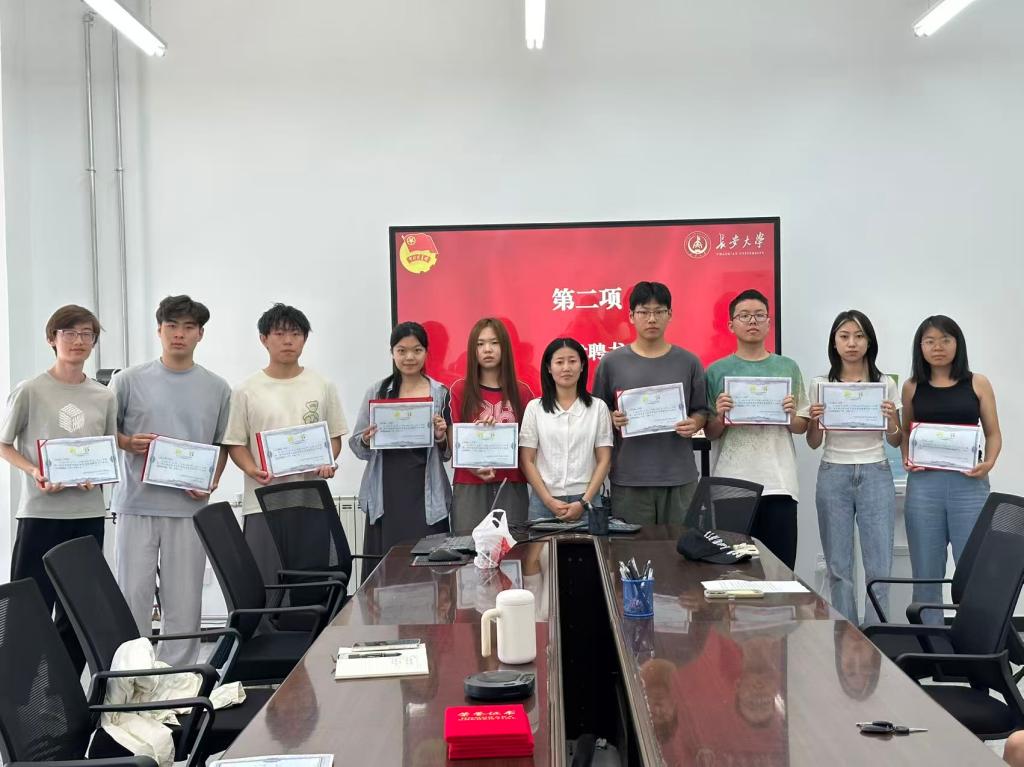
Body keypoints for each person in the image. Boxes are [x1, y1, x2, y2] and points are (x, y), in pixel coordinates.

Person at [111, 295, 231, 666]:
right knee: (133, 595)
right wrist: (128, 442)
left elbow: (222, 444)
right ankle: (132, 674)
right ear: (159, 330)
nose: (179, 334)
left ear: (200, 334)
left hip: (189, 507)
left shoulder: (217, 387)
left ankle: (179, 675)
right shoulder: (127, 380)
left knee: (184, 600)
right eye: (171, 326)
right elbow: (104, 433)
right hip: (137, 504)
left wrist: (211, 481)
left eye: (188, 327)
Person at [0, 304, 117, 673]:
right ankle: (19, 693)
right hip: (40, 514)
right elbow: (4, 444)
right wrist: (34, 471)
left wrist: (96, 475)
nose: (78, 341)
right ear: (52, 338)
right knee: (28, 607)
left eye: (86, 334)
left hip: (87, 515)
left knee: (78, 609)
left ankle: (61, 691)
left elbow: (107, 450)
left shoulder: (104, 396)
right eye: (70, 333)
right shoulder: (30, 390)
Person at [223, 303, 348, 582]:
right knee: (269, 585)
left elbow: (334, 438)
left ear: (305, 339)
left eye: (296, 334)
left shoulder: (322, 385)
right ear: (264, 339)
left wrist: (327, 461)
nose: (288, 341)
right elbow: (235, 443)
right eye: (279, 334)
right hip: (262, 502)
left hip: (310, 500)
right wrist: (252, 469)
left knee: (312, 583)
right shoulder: (245, 390)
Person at [901, 315, 1000, 620]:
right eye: (930, 341)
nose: (938, 347)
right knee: (926, 574)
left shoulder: (978, 382)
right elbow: (906, 432)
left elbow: (993, 433)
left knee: (973, 571)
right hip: (924, 487)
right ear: (920, 347)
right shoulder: (911, 386)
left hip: (969, 485)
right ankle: (929, 641)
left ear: (958, 344)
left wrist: (988, 463)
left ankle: (974, 642)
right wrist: (907, 457)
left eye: (945, 340)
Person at [806, 310, 900, 624]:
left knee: (879, 568)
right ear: (834, 342)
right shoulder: (821, 384)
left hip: (876, 472)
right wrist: (815, 421)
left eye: (859, 336)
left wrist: (892, 419)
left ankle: (877, 637)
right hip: (834, 472)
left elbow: (896, 439)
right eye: (844, 336)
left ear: (869, 342)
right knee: (838, 567)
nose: (852, 343)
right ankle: (847, 636)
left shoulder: (884, 383)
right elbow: (813, 443)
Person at [705, 289, 810, 569]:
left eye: (759, 315)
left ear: (769, 322)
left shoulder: (787, 367)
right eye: (744, 315)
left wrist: (790, 416)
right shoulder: (715, 371)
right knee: (732, 572)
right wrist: (721, 416)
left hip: (778, 482)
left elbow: (801, 426)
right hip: (731, 483)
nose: (752, 321)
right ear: (731, 324)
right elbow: (710, 432)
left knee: (780, 570)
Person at [591, 281, 708, 525]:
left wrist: (695, 423)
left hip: (679, 477)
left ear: (670, 315)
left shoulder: (689, 362)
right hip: (630, 478)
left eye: (659, 311)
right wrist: (611, 417)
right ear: (631, 316)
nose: (652, 319)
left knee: (680, 546)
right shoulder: (611, 363)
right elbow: (597, 412)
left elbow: (701, 410)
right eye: (644, 312)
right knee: (632, 547)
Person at [350, 322, 453, 556]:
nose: (409, 357)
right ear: (392, 353)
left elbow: (447, 454)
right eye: (402, 350)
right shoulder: (377, 391)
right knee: (388, 561)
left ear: (426, 352)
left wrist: (440, 438)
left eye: (417, 350)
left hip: (426, 490)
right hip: (386, 490)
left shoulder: (440, 393)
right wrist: (366, 439)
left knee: (427, 561)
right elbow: (357, 446)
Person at [448, 318, 533, 533]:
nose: (487, 349)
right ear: (473, 350)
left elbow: (529, 446)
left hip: (511, 483)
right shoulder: (459, 390)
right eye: (480, 344)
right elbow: (453, 438)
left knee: (513, 547)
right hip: (469, 484)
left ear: (505, 348)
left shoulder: (522, 392)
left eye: (494, 343)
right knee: (467, 546)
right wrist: (473, 465)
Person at [519, 337, 613, 521]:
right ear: (549, 367)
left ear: (582, 365)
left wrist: (583, 502)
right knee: (541, 542)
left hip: (587, 500)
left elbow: (604, 459)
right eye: (559, 362)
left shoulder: (598, 407)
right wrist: (548, 501)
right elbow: (526, 460)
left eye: (572, 361)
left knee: (589, 542)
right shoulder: (535, 408)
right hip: (544, 502)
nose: (566, 368)